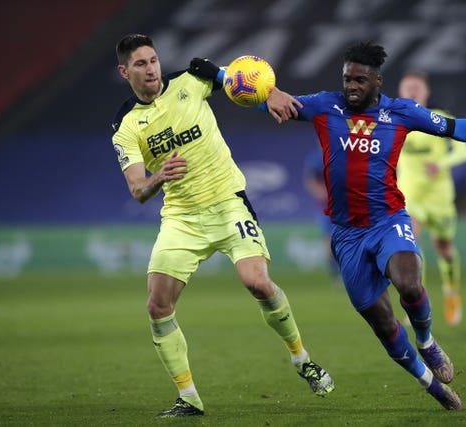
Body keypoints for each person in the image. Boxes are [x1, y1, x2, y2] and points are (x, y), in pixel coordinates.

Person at [187, 41, 466, 411]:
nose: (351, 87)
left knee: (409, 284)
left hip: (388, 220)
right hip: (346, 236)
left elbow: (458, 128)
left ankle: (427, 341)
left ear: (377, 80)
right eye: (347, 79)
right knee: (382, 322)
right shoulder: (324, 106)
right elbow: (263, 91)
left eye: (360, 80)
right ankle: (432, 386)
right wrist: (220, 76)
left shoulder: (402, 113)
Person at [111, 34, 334, 419]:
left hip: (228, 202)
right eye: (140, 64)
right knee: (157, 305)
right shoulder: (126, 126)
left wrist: (275, 93)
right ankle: (189, 398)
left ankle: (303, 361)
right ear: (124, 71)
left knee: (258, 283)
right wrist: (158, 177)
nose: (150, 69)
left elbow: (244, 79)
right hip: (181, 218)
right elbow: (137, 190)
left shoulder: (193, 79)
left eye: (153, 60)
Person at [397, 71, 466, 326]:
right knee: (410, 246)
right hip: (409, 198)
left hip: (439, 198)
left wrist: (441, 163)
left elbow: (465, 150)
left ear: (426, 93)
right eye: (408, 87)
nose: (413, 92)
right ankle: (416, 301)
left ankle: (451, 293)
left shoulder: (440, 119)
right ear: (400, 92)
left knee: (444, 249)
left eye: (417, 87)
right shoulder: (394, 121)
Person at [303, 145, 340, 282]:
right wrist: (322, 193)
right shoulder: (316, 158)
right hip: (325, 205)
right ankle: (336, 275)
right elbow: (311, 181)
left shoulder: (343, 152)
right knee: (329, 241)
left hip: (344, 203)